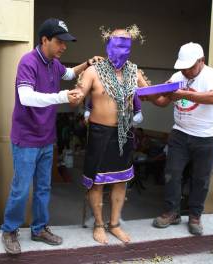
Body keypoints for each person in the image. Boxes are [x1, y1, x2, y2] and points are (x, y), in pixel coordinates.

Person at [1, 18, 103, 255]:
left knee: (44, 188)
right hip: (26, 139)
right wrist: (62, 97)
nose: (63, 47)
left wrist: (87, 64)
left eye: (65, 42)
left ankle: (39, 229)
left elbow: (68, 73)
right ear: (44, 40)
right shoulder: (28, 62)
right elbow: (26, 97)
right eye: (59, 42)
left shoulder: (53, 63)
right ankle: (9, 230)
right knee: (21, 188)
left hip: (46, 138)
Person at [140, 42, 213, 236]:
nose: (185, 71)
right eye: (183, 67)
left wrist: (183, 94)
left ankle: (195, 216)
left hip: (207, 136)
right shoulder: (177, 76)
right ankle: (172, 212)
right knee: (172, 173)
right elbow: (163, 102)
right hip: (180, 133)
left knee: (201, 178)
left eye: (190, 67)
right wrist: (149, 96)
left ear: (201, 61)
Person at [73, 25, 148, 244]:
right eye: (117, 41)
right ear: (108, 44)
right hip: (99, 133)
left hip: (124, 133)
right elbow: (80, 93)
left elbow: (155, 97)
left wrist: (173, 91)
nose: (121, 47)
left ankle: (114, 224)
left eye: (126, 42)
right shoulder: (93, 71)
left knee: (121, 181)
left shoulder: (134, 72)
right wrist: (75, 95)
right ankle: (98, 224)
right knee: (97, 182)